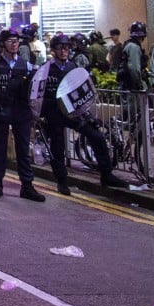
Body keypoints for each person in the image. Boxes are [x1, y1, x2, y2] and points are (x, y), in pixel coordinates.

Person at [39, 34, 129, 195]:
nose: (64, 51)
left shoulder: (72, 67)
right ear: (53, 50)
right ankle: (62, 181)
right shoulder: (45, 69)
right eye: (61, 48)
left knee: (97, 136)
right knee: (57, 147)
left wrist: (87, 114)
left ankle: (106, 174)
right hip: (54, 112)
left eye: (67, 47)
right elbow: (37, 93)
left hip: (74, 112)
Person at [0, 30, 45, 202]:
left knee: (23, 149)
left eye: (16, 41)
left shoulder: (25, 64)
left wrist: (36, 111)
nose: (14, 44)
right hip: (1, 110)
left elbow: (35, 87)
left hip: (21, 111)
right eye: (10, 41)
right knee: (0, 149)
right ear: (2, 44)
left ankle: (27, 186)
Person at [117, 22, 150, 122]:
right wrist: (139, 84)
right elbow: (134, 69)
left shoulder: (130, 45)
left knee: (130, 113)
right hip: (132, 86)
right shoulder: (134, 47)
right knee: (133, 114)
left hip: (128, 85)